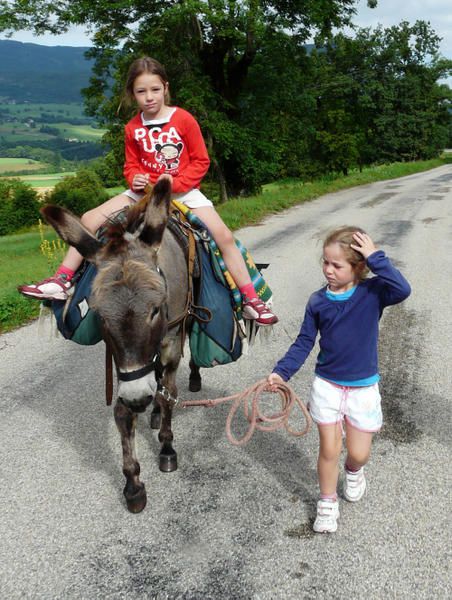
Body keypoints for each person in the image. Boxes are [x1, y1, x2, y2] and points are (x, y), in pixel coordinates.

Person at [19, 57, 278, 327]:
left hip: (182, 193)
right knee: (88, 218)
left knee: (223, 236)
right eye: (141, 92)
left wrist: (174, 185)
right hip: (142, 195)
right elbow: (131, 165)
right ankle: (62, 279)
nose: (149, 97)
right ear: (133, 93)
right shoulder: (133, 127)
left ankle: (250, 299)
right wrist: (135, 179)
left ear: (165, 88)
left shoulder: (183, 119)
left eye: (154, 90)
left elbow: (201, 161)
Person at [267, 226, 411, 533]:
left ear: (359, 267)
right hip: (328, 385)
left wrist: (376, 257)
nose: (328, 270)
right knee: (329, 449)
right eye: (325, 263)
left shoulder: (373, 293)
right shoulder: (317, 301)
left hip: (363, 387)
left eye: (337, 265)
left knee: (359, 452)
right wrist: (282, 372)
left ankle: (354, 471)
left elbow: (403, 289)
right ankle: (327, 503)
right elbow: (304, 341)